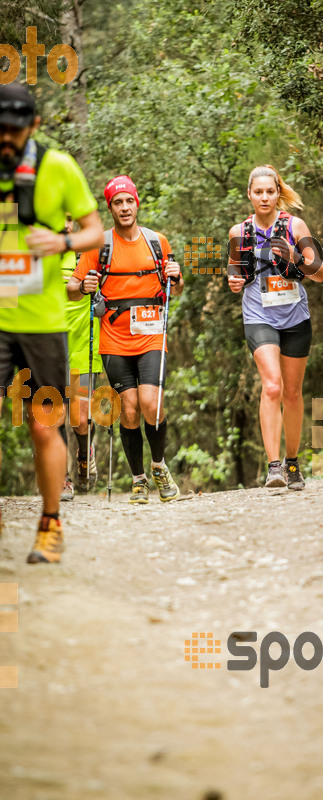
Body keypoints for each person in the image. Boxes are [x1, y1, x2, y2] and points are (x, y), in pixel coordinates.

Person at [0, 82, 104, 562]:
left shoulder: (58, 167)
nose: (7, 137)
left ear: (34, 127)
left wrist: (60, 245)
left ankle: (50, 523)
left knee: (46, 426)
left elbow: (93, 229)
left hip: (43, 321)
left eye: (15, 130)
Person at [67, 175, 183, 504]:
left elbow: (175, 287)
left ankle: (159, 465)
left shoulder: (157, 242)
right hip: (114, 339)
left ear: (137, 203)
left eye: (129, 201)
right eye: (118, 203)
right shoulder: (98, 247)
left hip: (151, 336)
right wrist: (84, 287)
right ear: (111, 208)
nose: (125, 207)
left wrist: (177, 276)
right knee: (129, 410)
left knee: (151, 403)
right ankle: (138, 479)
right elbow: (73, 289)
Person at [227, 164, 323, 490]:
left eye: (270, 191)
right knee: (272, 386)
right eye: (259, 192)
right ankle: (274, 467)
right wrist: (234, 281)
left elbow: (320, 272)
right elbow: (234, 272)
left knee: (293, 393)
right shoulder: (238, 233)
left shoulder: (295, 225)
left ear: (278, 193)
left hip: (296, 317)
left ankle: (293, 463)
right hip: (259, 316)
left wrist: (295, 257)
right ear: (249, 194)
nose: (265, 197)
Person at [60, 215, 103, 500]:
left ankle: (84, 455)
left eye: (68, 219)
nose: (64, 225)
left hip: (85, 342)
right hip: (50, 339)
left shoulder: (86, 254)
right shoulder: (41, 254)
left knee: (81, 416)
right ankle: (62, 478)